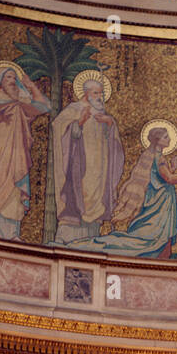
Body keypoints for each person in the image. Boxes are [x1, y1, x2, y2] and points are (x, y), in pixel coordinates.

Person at [73, 123, 177, 257]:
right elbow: (168, 178)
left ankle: (164, 257)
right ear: (158, 140)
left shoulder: (153, 156)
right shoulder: (159, 158)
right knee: (160, 233)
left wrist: (173, 168)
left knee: (162, 233)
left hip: (160, 200)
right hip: (161, 203)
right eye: (165, 137)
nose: (169, 139)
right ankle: (162, 257)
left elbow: (159, 177)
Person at [0, 61, 49, 239]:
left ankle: (12, 233)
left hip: (17, 151)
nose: (11, 81)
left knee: (15, 189)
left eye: (14, 78)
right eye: (8, 77)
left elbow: (44, 107)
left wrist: (31, 86)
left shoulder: (21, 101)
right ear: (0, 80)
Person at [53, 74, 125, 242]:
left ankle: (91, 234)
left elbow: (111, 142)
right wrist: (78, 123)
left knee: (96, 196)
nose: (99, 97)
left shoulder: (101, 112)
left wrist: (110, 124)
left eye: (101, 93)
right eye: (96, 93)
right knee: (79, 195)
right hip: (79, 165)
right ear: (86, 94)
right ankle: (73, 235)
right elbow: (59, 128)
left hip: (100, 166)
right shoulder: (74, 109)